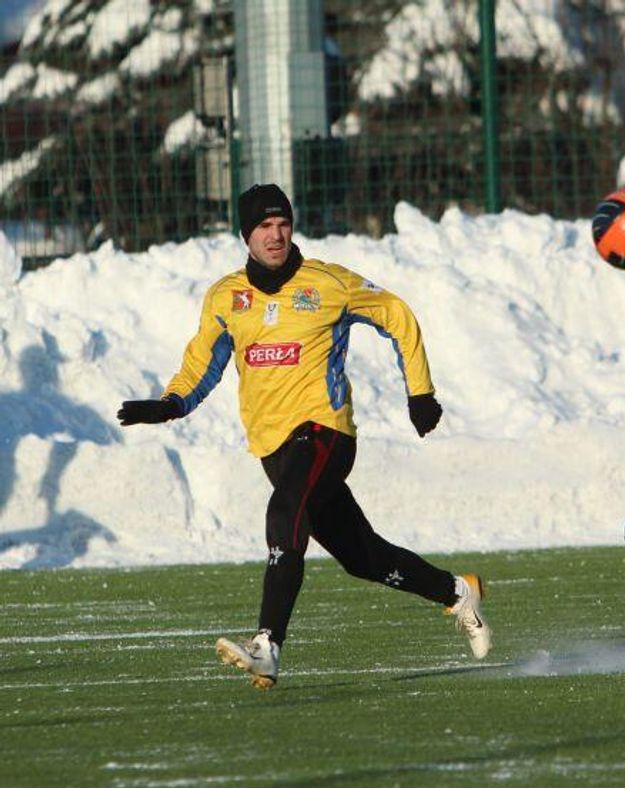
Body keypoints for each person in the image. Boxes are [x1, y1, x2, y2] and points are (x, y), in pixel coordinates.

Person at [117, 183, 491, 689]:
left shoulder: (329, 284)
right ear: (245, 234)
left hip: (326, 432)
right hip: (273, 447)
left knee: (283, 510)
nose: (275, 235)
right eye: (264, 226)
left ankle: (267, 646)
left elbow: (397, 315)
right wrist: (170, 404)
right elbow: (201, 364)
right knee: (363, 558)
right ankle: (455, 592)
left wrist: (419, 392)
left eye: (282, 224)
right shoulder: (227, 297)